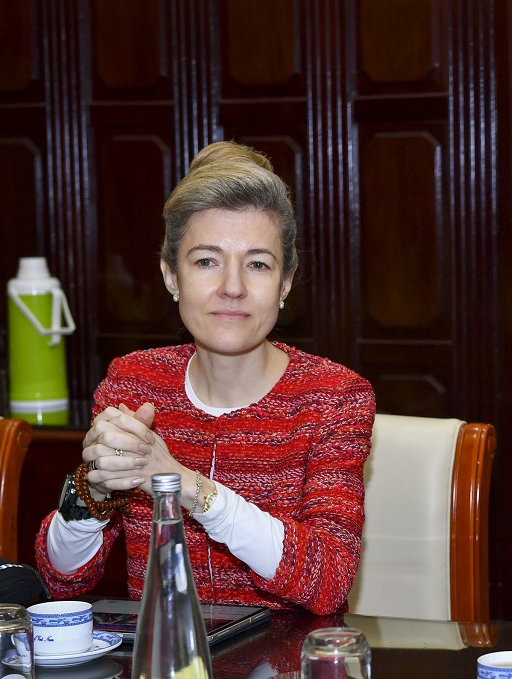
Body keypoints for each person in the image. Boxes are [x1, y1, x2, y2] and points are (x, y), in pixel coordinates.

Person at [35, 141, 375, 615]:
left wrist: (183, 484)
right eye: (206, 261)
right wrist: (92, 490)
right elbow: (62, 578)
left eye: (258, 264)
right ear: (171, 276)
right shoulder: (134, 383)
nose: (233, 287)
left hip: (285, 662)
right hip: (162, 658)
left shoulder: (333, 397)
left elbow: (330, 581)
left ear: (285, 282)